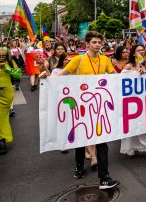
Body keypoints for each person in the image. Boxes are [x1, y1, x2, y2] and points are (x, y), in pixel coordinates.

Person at [43, 31, 119, 189]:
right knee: (81, 138)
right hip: (81, 106)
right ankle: (79, 167)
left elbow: (115, 77)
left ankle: (104, 177)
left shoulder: (105, 59)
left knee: (102, 141)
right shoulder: (78, 59)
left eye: (99, 42)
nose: (97, 45)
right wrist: (47, 77)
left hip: (99, 105)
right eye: (94, 42)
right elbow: (62, 75)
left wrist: (139, 74)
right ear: (87, 44)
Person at [120, 44, 146, 159]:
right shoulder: (128, 66)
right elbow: (121, 82)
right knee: (132, 125)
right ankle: (130, 146)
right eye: (139, 50)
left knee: (145, 124)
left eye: (142, 50)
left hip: (144, 100)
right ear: (133, 53)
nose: (141, 52)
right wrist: (136, 75)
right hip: (132, 101)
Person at [0, 46, 21, 154]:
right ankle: (1, 142)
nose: (1, 57)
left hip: (7, 94)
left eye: (3, 55)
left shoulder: (11, 62)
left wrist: (7, 69)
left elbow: (18, 75)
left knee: (2, 117)